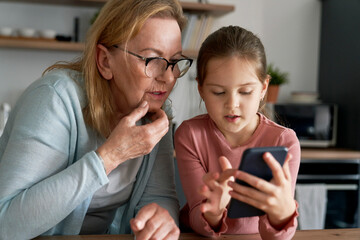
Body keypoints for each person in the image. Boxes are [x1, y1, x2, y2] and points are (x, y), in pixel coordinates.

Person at [0, 0, 193, 239]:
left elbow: (159, 197)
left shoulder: (155, 113)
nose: (168, 77)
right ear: (105, 61)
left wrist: (162, 220)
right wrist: (110, 156)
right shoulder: (55, 99)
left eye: (174, 62)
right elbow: (5, 223)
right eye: (152, 60)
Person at [174, 25, 300, 239]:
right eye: (219, 92)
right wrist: (212, 212)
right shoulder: (190, 135)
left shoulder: (284, 141)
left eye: (245, 91)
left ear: (263, 88)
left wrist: (283, 215)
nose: (232, 104)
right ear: (201, 89)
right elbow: (197, 215)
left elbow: (280, 235)